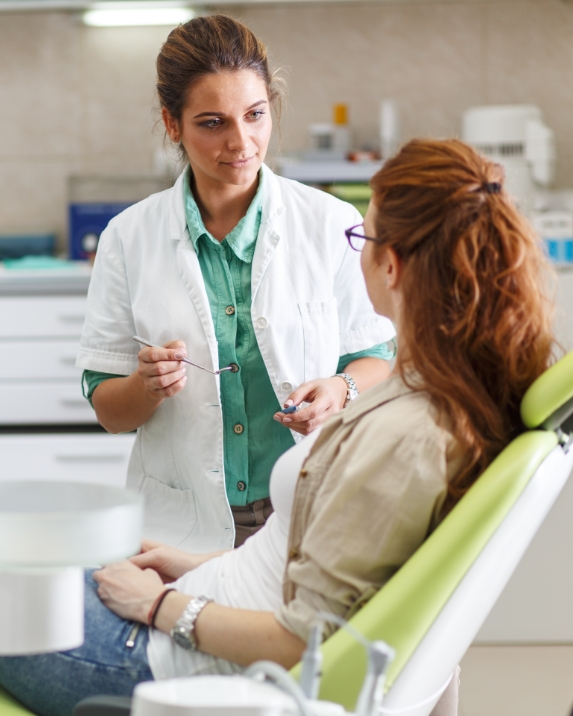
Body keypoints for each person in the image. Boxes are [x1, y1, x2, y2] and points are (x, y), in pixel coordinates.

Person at [0, 138, 555, 716]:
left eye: (362, 237)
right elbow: (311, 574)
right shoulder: (431, 404)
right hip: (196, 603)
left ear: (389, 264)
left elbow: (302, 641)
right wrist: (189, 567)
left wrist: (156, 607)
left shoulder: (406, 438)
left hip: (168, 657)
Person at [76, 15, 395, 551]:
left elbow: (377, 359)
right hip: (181, 524)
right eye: (212, 122)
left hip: (307, 510)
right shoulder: (127, 238)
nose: (241, 142)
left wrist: (342, 389)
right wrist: (145, 387)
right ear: (171, 123)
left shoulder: (329, 223)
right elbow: (109, 409)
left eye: (254, 115)